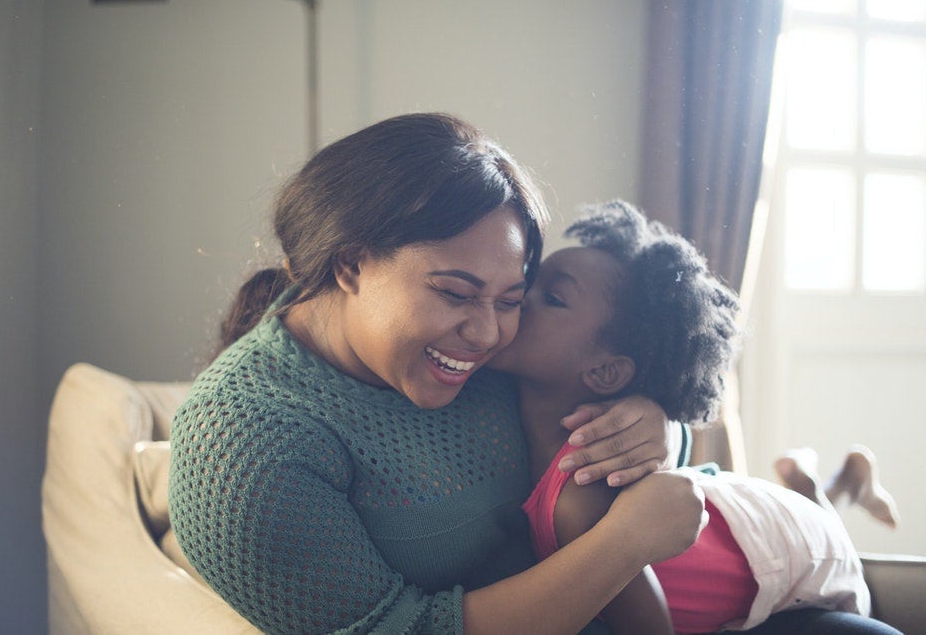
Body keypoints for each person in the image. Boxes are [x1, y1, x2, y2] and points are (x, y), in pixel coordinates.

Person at [168, 113, 704, 635]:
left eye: (511, 299)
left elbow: (597, 396)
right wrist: (625, 542)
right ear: (350, 265)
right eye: (455, 293)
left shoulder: (493, 359)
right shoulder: (244, 443)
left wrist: (654, 422)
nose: (488, 333)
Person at [491, 199, 901, 634]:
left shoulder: (582, 499)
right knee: (817, 514)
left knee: (848, 576)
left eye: (552, 298)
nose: (518, 295)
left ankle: (828, 486)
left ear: (605, 371)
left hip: (775, 553)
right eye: (530, 280)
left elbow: (654, 630)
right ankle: (830, 482)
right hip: (733, 519)